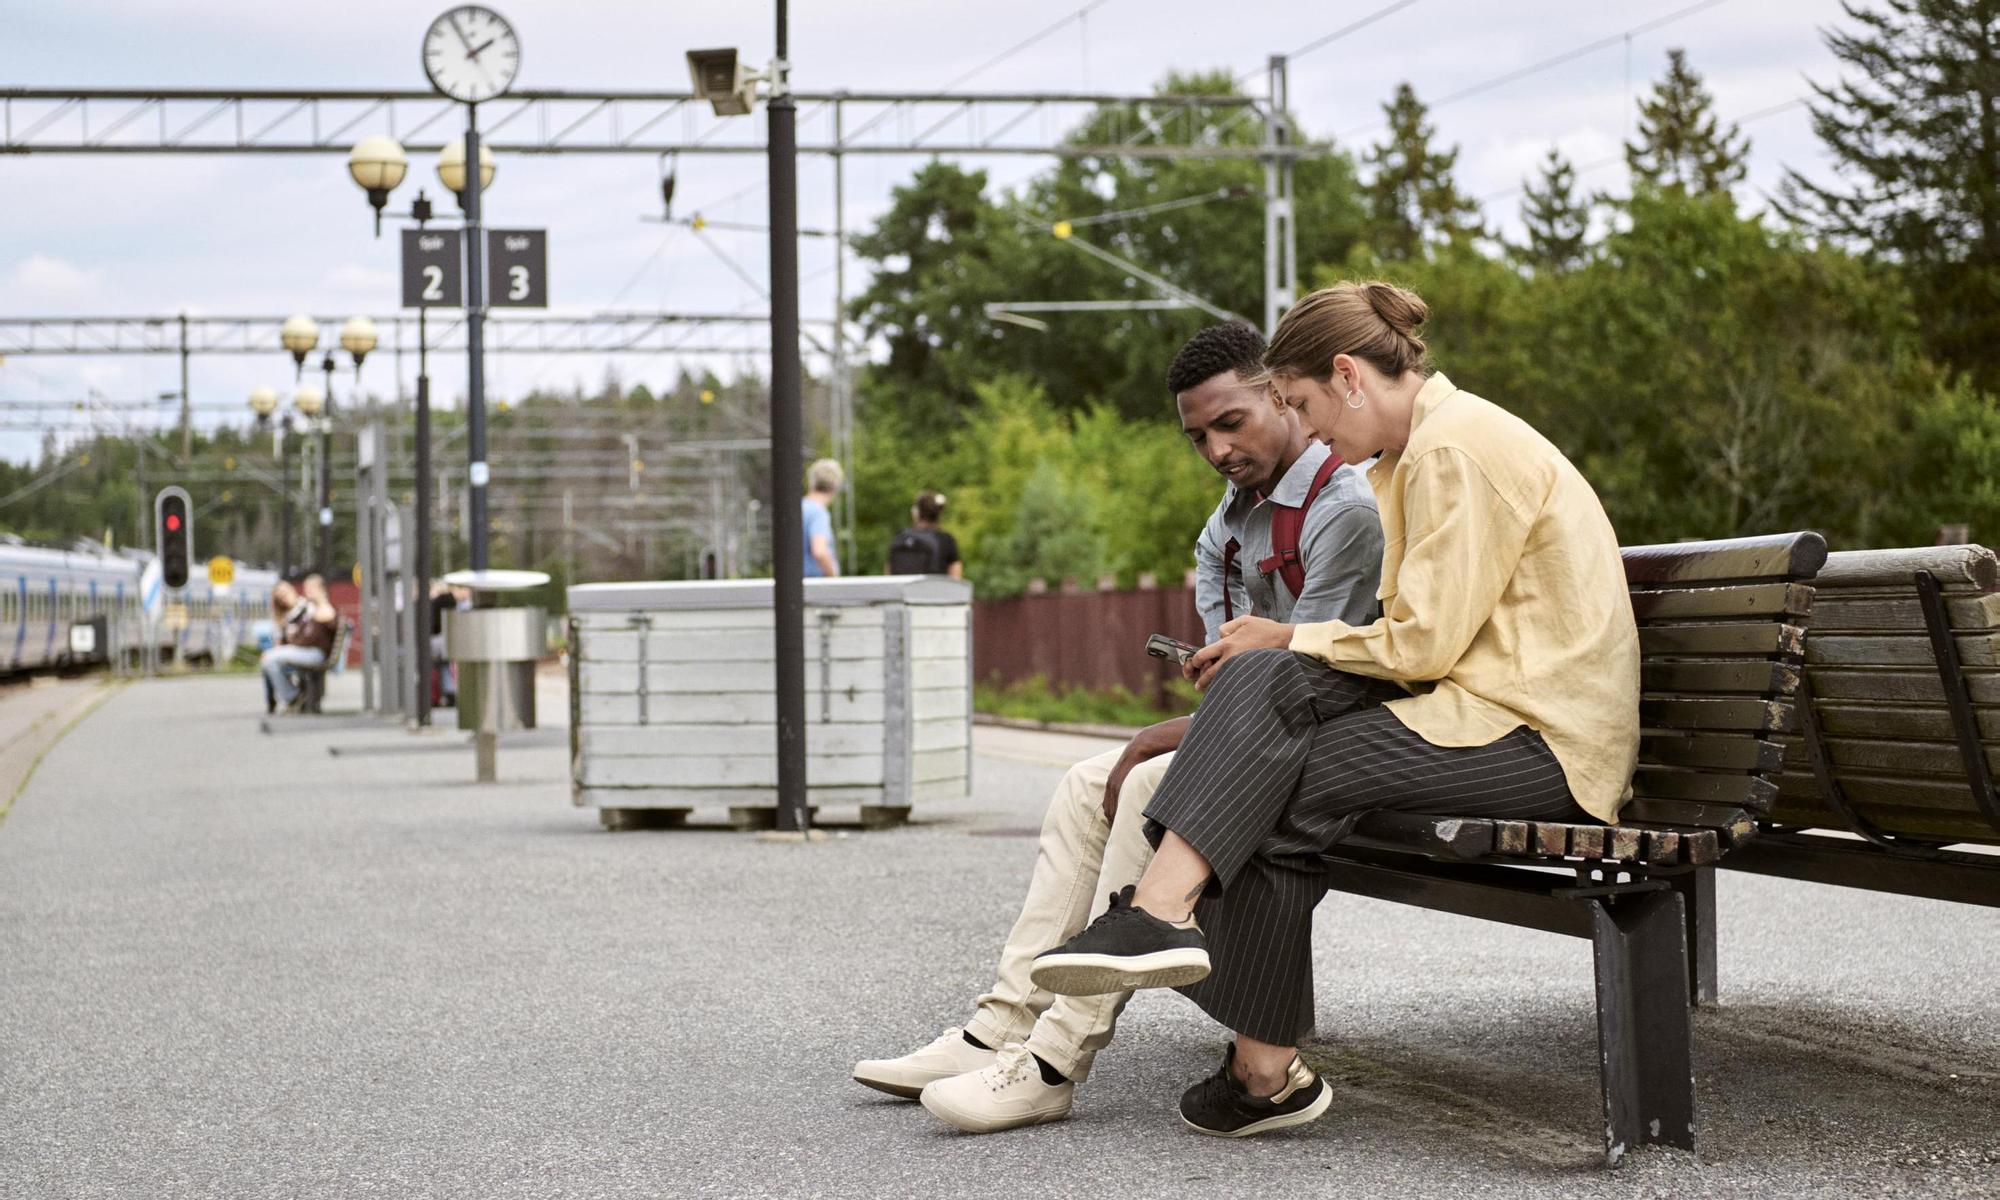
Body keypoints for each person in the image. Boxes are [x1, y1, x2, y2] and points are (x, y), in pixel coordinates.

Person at [1029, 281, 1641, 1139]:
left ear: (1349, 375)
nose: (1310, 432)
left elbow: (1420, 644)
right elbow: (1414, 644)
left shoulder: (1454, 450)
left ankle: (1245, 1048)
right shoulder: (1407, 460)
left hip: (1542, 740)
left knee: (1271, 738)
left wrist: (1286, 640)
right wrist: (1280, 648)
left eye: (1307, 406)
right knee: (1263, 693)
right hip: (1475, 713)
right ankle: (1200, 982)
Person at [853, 321, 1386, 1134]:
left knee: (1143, 781)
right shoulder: (1233, 518)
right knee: (1079, 784)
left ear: (1279, 393)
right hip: (1273, 729)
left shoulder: (1343, 507)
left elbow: (1309, 679)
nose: (1215, 449)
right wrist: (1190, 715)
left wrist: (1161, 735)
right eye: (1197, 436)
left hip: (1346, 737)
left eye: (1230, 423)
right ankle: (996, 1027)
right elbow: (1229, 668)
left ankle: (1051, 1064)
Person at [260, 575, 337, 713]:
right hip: (304, 650)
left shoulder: (318, 609)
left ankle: (293, 697)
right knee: (269, 659)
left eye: (311, 589)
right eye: (306, 589)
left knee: (269, 658)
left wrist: (293, 641)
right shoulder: (310, 610)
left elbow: (310, 638)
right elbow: (303, 636)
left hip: (313, 653)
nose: (307, 592)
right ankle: (290, 697)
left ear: (321, 590)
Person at [886, 490, 963, 578]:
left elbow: (888, 576)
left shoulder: (900, 537)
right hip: (934, 590)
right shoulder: (946, 540)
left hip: (901, 591)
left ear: (916, 513)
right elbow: (955, 578)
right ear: (939, 514)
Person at [802, 458, 843, 578]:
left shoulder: (800, 507)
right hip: (815, 585)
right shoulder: (818, 512)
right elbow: (820, 552)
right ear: (835, 485)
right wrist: (833, 579)